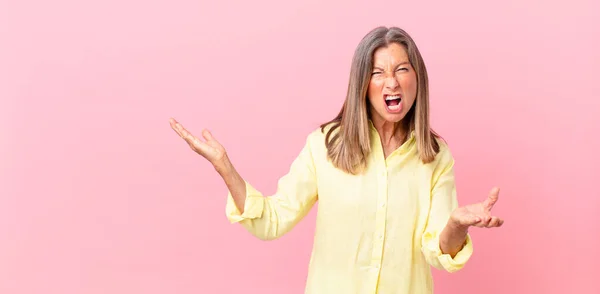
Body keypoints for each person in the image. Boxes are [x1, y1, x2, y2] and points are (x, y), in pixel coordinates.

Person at [169, 26, 503, 294]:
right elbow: (271, 220)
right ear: (362, 84)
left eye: (402, 69)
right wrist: (225, 168)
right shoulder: (324, 146)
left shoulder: (436, 156)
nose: (392, 81)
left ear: (417, 80)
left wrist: (456, 224)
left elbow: (438, 251)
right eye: (378, 72)